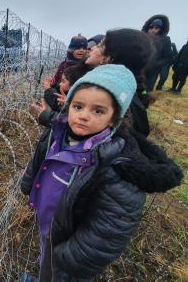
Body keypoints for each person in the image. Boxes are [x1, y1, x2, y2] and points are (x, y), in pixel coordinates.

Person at [21, 64, 183, 282]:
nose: (84, 116)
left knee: (59, 273)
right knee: (46, 260)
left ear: (115, 117)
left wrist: (66, 257)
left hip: (70, 248)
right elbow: (41, 160)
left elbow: (107, 231)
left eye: (98, 111)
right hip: (51, 223)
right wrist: (28, 184)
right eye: (78, 107)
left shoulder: (118, 166)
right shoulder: (58, 133)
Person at [34, 29, 154, 137]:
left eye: (100, 45)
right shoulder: (115, 90)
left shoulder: (110, 95)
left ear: (108, 58)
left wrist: (47, 116)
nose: (90, 48)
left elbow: (84, 134)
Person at [141, 15, 173, 91]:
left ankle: (143, 101)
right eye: (151, 27)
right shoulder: (142, 37)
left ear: (161, 29)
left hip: (152, 72)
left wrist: (155, 64)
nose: (153, 30)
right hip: (140, 69)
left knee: (146, 91)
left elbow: (168, 57)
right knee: (136, 88)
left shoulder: (166, 40)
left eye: (157, 28)